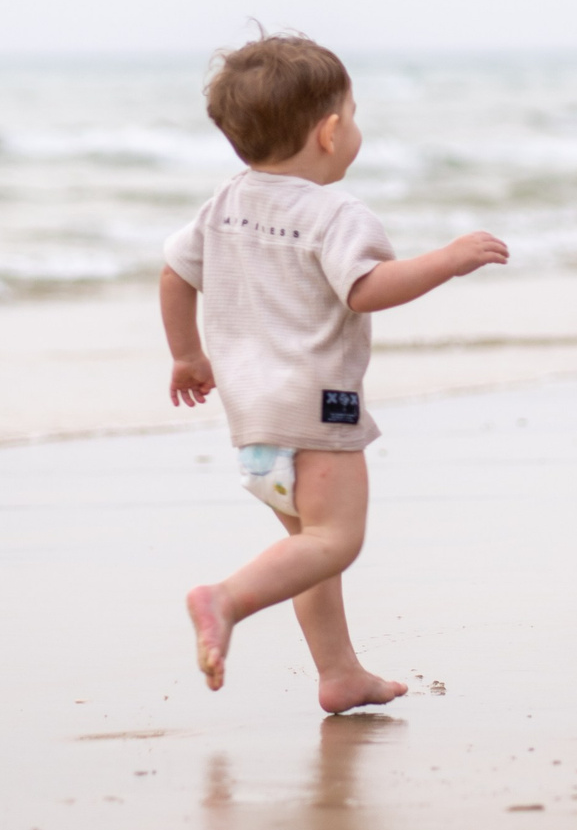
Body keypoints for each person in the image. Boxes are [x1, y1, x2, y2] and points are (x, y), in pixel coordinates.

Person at [162, 34, 508, 711]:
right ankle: (224, 599)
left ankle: (339, 673)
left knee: (308, 550)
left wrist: (186, 355)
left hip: (252, 422)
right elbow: (367, 288)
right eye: (353, 115)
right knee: (335, 540)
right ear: (329, 132)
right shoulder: (334, 214)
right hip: (317, 411)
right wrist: (449, 258)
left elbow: (175, 273)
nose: (354, 129)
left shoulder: (225, 202)